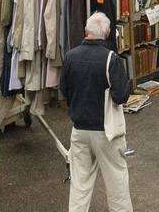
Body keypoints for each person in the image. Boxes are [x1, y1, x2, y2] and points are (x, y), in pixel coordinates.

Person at [61, 12, 133, 212]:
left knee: (80, 184)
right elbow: (121, 96)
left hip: (79, 129)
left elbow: (64, 90)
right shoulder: (111, 59)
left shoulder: (70, 56)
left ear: (86, 31)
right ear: (108, 33)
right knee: (116, 182)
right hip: (107, 130)